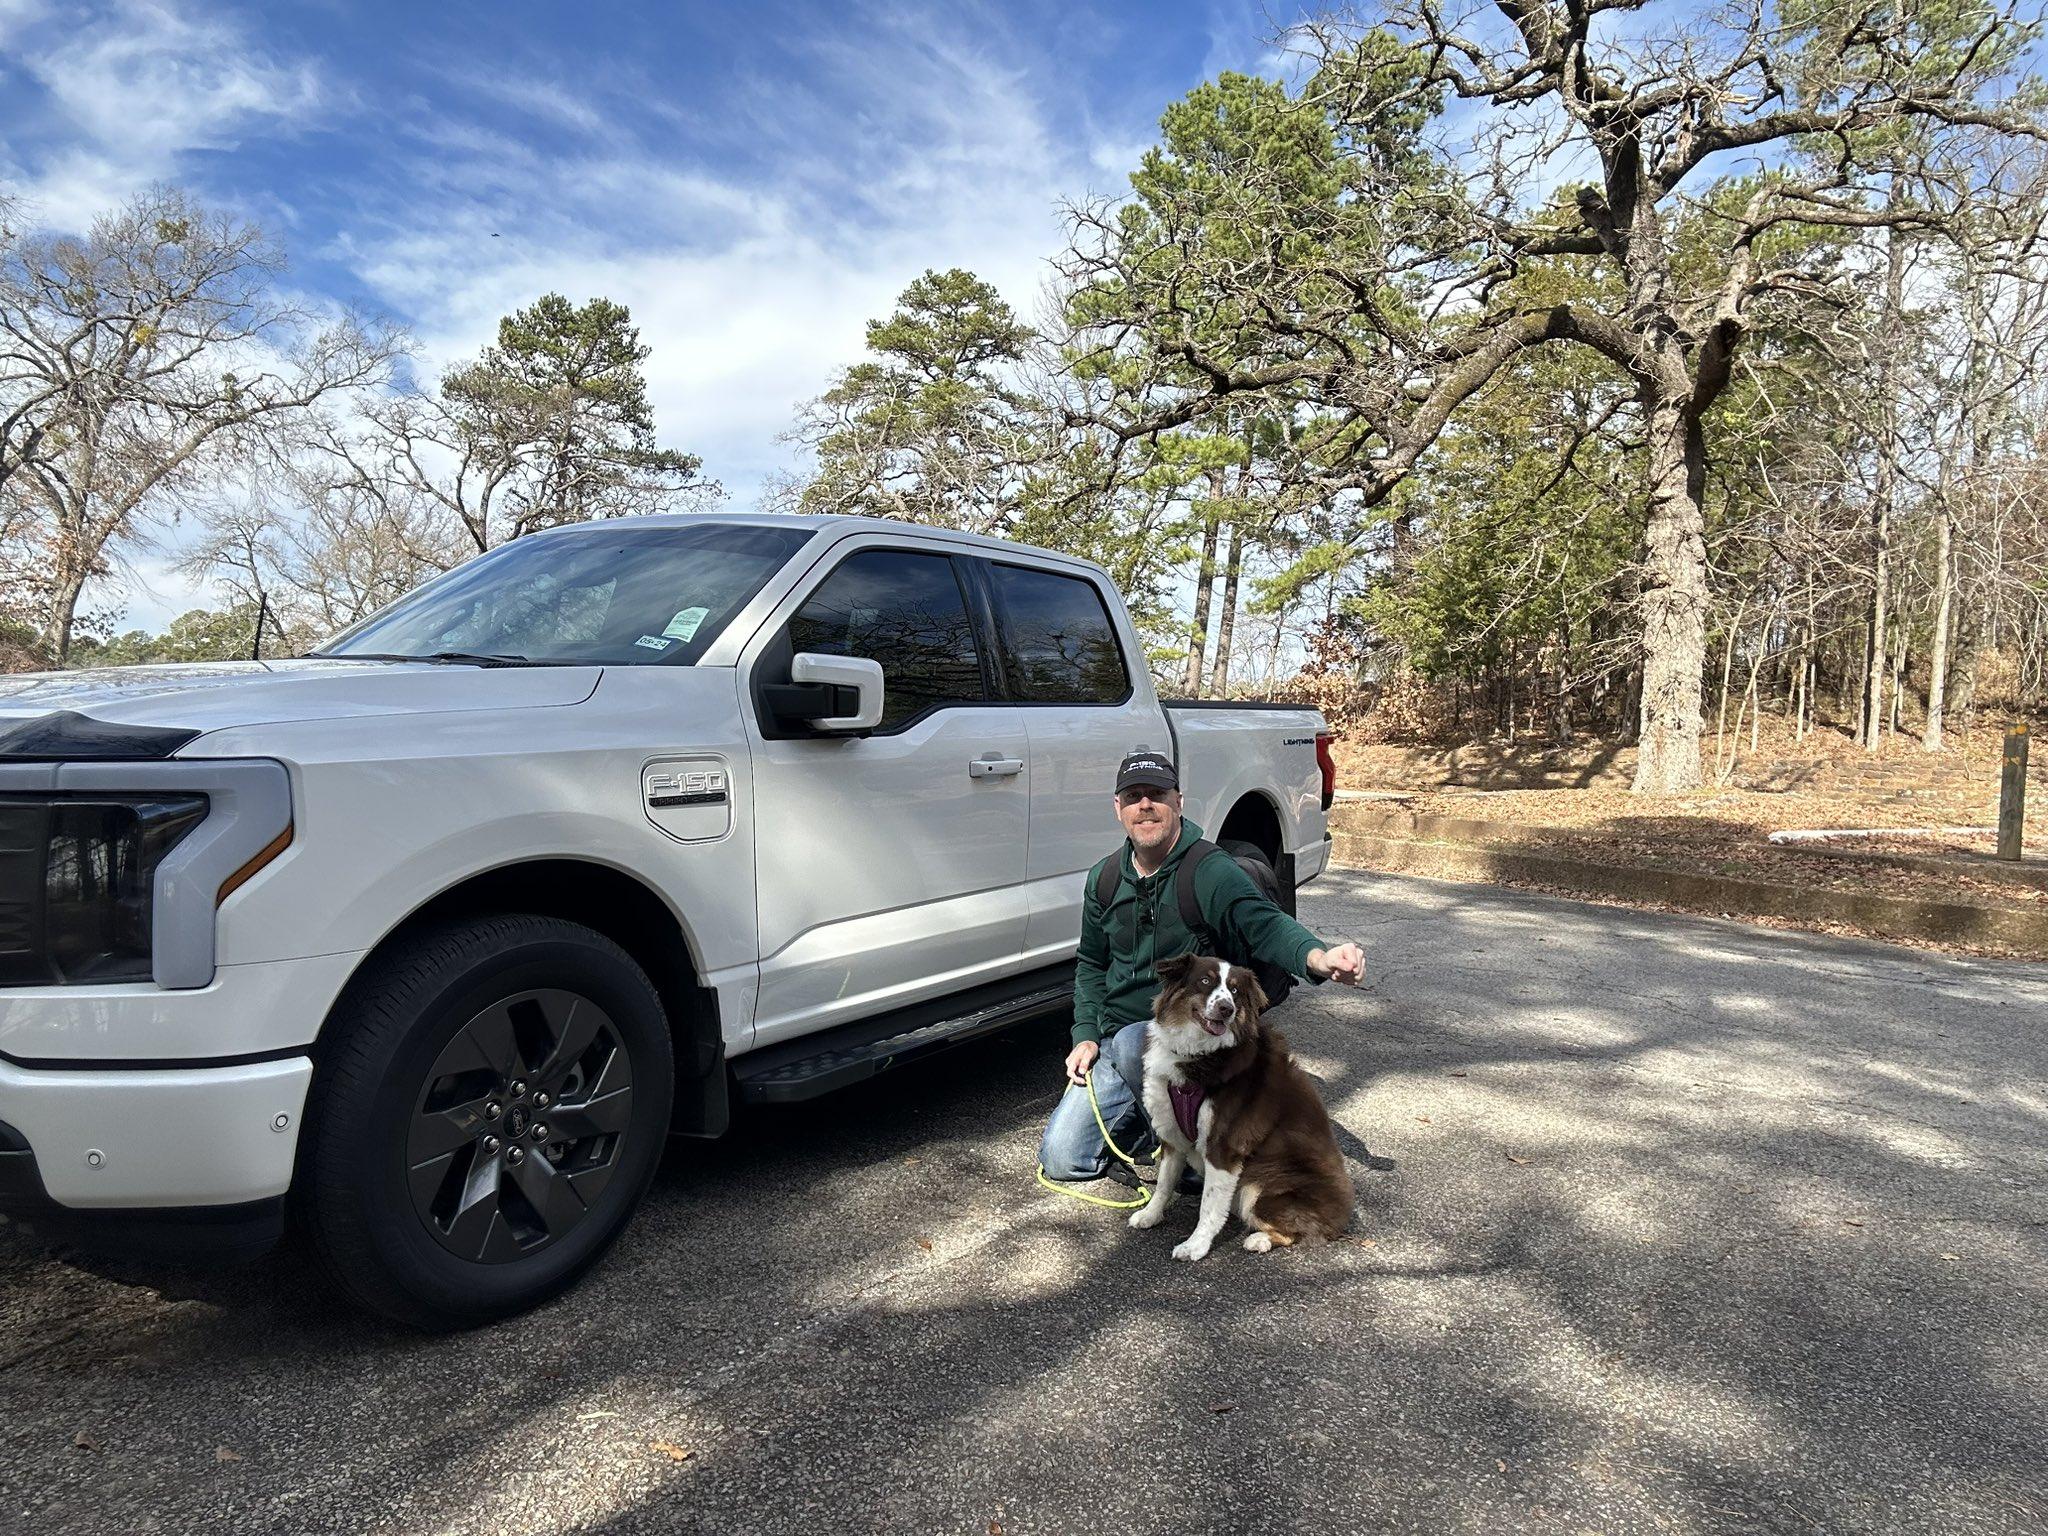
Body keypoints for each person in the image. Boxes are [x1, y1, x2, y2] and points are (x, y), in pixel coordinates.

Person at [1037, 749, 1365, 1187]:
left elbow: (1263, 923)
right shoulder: (1104, 878)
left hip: (1194, 1044)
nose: (1145, 805)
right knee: (1064, 1160)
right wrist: (1085, 1037)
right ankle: (1155, 1126)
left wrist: (1318, 957)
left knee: (1142, 1039)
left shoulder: (1207, 870)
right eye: (1133, 796)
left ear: (1178, 802)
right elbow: (1092, 965)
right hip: (1119, 1044)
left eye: (1157, 794)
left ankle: (1203, 1147)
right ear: (1118, 808)